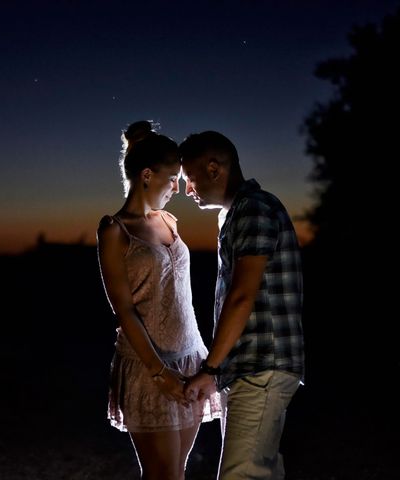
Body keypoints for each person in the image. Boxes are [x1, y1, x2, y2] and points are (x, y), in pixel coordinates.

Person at [97, 121, 221, 480]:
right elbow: (123, 309)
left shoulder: (169, 220)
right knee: (162, 474)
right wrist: (159, 373)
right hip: (149, 368)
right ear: (148, 175)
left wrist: (204, 363)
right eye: (172, 180)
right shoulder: (114, 229)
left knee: (177, 472)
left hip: (189, 361)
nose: (177, 189)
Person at [178, 131, 305, 480]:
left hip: (262, 365)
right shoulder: (234, 214)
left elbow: (241, 295)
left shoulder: (254, 208)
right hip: (249, 367)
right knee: (260, 471)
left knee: (241, 474)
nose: (187, 190)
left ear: (215, 169)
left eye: (189, 179)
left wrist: (211, 368)